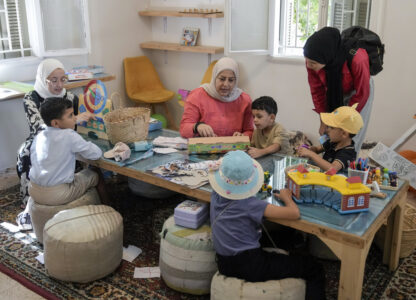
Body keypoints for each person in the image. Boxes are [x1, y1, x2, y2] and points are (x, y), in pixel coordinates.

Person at [209, 150, 326, 300]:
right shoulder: (250, 204)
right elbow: (293, 213)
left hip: (223, 261)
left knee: (286, 237)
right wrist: (286, 197)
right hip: (250, 265)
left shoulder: (215, 194)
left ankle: (295, 245)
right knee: (313, 268)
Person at [16, 58, 95, 229]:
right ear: (43, 79)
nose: (59, 85)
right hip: (41, 137)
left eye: (62, 79)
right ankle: (30, 203)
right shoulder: (31, 97)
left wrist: (82, 119)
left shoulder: (70, 97)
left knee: (78, 149)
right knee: (25, 153)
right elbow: (38, 127)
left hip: (68, 137)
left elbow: (75, 125)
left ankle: (64, 186)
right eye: (53, 80)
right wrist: (72, 124)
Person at [303, 26, 374, 154]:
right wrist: (324, 120)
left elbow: (362, 94)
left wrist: (342, 122)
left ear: (327, 56)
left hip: (358, 91)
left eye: (312, 62)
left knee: (350, 134)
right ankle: (328, 162)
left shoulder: (358, 58)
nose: (308, 65)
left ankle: (345, 165)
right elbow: (317, 92)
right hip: (333, 90)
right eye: (306, 60)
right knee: (330, 131)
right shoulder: (312, 59)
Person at [28, 98, 107, 206]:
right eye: (70, 115)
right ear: (55, 123)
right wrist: (88, 143)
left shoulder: (40, 135)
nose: (75, 118)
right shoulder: (69, 135)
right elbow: (96, 154)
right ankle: (105, 207)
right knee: (94, 173)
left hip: (33, 189)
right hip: (57, 194)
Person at [180, 57, 254, 138]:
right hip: (204, 148)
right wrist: (197, 126)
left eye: (231, 80)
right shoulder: (197, 96)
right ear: (214, 77)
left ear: (236, 81)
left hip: (234, 149)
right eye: (222, 79)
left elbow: (250, 131)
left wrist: (243, 136)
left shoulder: (245, 100)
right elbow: (184, 129)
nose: (226, 84)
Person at [297, 104, 363, 173]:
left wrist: (311, 154)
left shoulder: (348, 152)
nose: (327, 130)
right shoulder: (333, 142)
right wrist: (309, 149)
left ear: (344, 134)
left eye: (331, 127)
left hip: (336, 182)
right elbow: (316, 149)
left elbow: (332, 169)